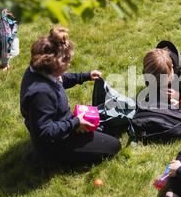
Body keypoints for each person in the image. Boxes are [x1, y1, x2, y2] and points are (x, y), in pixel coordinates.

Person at [20, 26, 121, 165]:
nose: (70, 64)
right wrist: (75, 123)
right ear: (55, 65)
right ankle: (58, 160)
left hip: (62, 125)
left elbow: (61, 80)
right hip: (54, 145)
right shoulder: (41, 93)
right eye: (68, 61)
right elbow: (44, 132)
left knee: (106, 128)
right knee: (114, 145)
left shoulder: (39, 70)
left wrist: (84, 76)